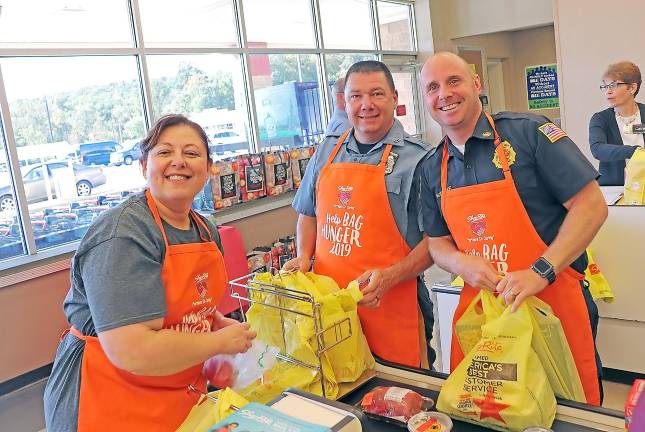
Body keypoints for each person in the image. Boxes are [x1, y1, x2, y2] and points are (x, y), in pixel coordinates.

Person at [43, 114, 257, 431]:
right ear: (144, 166)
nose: (178, 162)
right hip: (108, 399)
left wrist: (214, 325)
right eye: (164, 152)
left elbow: (186, 306)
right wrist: (217, 344)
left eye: (192, 153)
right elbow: (132, 350)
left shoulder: (205, 229)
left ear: (209, 167)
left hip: (176, 395)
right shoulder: (124, 234)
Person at [418, 52, 607, 405]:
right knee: (494, 413)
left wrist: (541, 271)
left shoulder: (528, 134)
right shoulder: (432, 167)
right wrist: (462, 264)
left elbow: (591, 206)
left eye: (454, 81)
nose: (444, 93)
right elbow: (437, 242)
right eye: (433, 87)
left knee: (570, 413)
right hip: (486, 318)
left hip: (553, 306)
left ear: (477, 84)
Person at [283, 60, 435, 369]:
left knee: (398, 401)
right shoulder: (326, 151)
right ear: (345, 102)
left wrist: (390, 277)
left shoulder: (419, 159)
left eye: (376, 94)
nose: (366, 105)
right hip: (331, 312)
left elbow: (436, 243)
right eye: (356, 96)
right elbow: (308, 214)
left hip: (392, 309)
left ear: (394, 98)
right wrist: (303, 255)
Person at [589, 61, 644, 185]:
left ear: (632, 88)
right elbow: (598, 149)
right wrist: (635, 151)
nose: (607, 91)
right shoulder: (600, 119)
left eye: (614, 85)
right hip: (615, 190)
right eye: (605, 86)